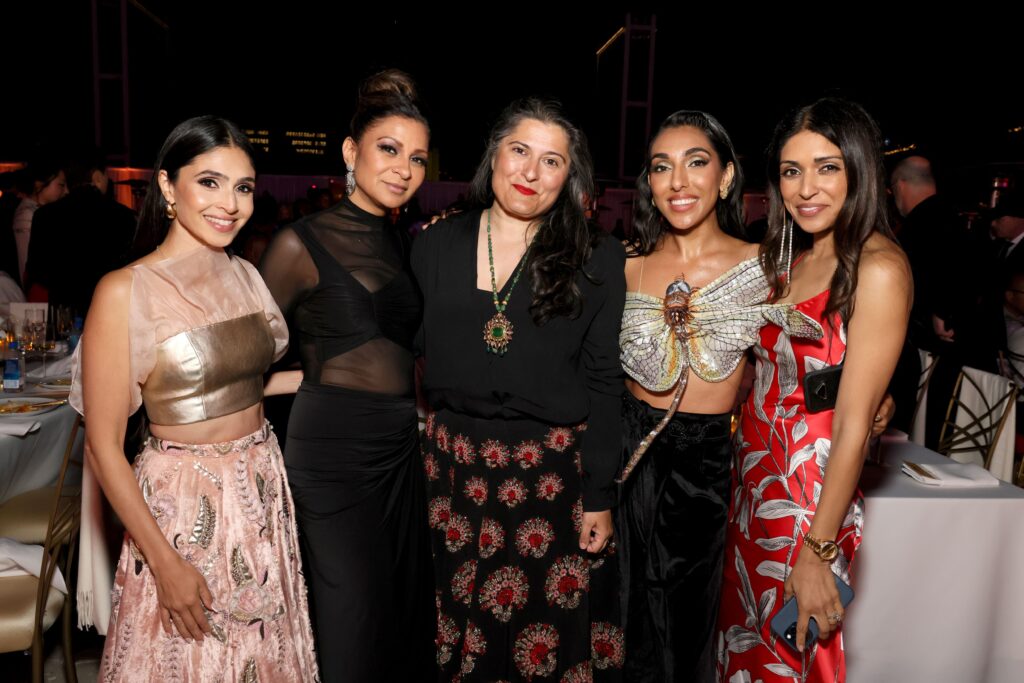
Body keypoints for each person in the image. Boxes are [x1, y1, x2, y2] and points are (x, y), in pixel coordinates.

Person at [72, 116, 319, 681]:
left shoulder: (245, 275)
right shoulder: (125, 290)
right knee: (191, 657)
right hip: (182, 506)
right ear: (166, 187)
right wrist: (164, 561)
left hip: (260, 490)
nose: (229, 203)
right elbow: (105, 447)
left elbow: (237, 387)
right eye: (209, 182)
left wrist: (324, 382)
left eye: (243, 187)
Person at [413, 97, 626, 680]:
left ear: (570, 176)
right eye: (520, 151)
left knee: (542, 642)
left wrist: (601, 494)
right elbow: (405, 353)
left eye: (552, 161)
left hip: (552, 480)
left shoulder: (595, 254)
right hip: (453, 473)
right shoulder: (434, 244)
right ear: (494, 155)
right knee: (455, 630)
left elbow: (607, 381)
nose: (531, 173)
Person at [616, 110, 821, 683]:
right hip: (624, 453)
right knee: (622, 620)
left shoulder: (767, 268)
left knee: (688, 626)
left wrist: (879, 402)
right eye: (662, 167)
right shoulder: (623, 264)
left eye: (696, 162)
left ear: (727, 177)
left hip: (704, 462)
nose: (678, 181)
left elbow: (819, 353)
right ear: (649, 184)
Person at [717, 98, 911, 682]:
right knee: (747, 652)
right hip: (753, 486)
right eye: (791, 171)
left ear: (859, 170)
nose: (806, 188)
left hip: (806, 500)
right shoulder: (795, 259)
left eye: (827, 167)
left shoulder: (877, 267)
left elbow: (852, 425)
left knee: (789, 658)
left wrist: (818, 549)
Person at [258, 70, 434, 682]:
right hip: (331, 456)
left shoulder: (401, 243)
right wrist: (305, 384)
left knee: (397, 615)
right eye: (389, 150)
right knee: (349, 618)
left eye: (416, 158)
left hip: (398, 450)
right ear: (350, 152)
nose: (403, 169)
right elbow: (243, 365)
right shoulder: (298, 244)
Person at [25, 145, 136, 317]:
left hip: (61, 318)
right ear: (97, 177)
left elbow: (36, 273)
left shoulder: (45, 216)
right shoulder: (124, 217)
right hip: (109, 313)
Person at [12, 157, 67, 284]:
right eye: (61, 185)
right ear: (39, 184)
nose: (65, 191)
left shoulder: (36, 211)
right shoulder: (27, 215)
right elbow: (27, 265)